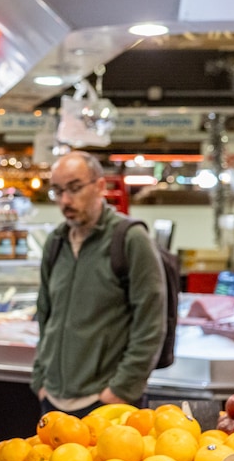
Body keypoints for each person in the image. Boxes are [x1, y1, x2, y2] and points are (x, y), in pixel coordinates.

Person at [32, 150, 166, 417]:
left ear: (100, 186)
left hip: (106, 402)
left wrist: (121, 390)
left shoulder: (130, 239)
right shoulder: (55, 242)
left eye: (74, 188)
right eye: (57, 191)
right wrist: (40, 379)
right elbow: (45, 314)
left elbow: (151, 323)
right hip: (53, 399)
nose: (65, 200)